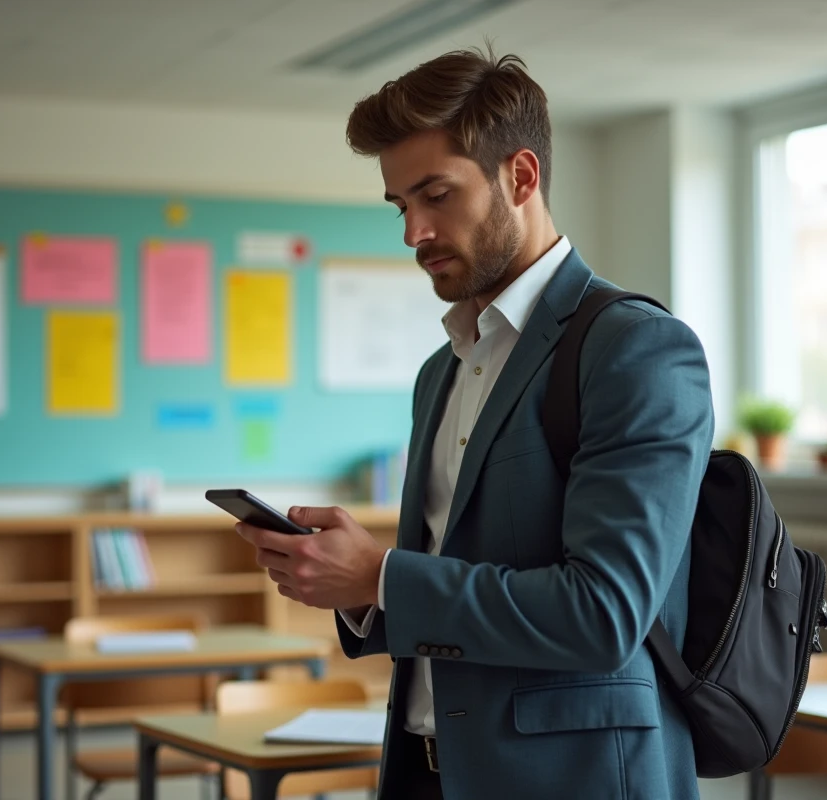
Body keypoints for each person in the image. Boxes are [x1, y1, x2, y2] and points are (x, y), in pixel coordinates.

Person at [236, 46, 713, 800]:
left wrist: (383, 574)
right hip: (431, 769)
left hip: (572, 781)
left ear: (520, 177)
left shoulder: (636, 349)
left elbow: (603, 613)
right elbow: (459, 588)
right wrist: (359, 592)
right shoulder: (444, 369)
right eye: (400, 205)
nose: (412, 232)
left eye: (436, 196)